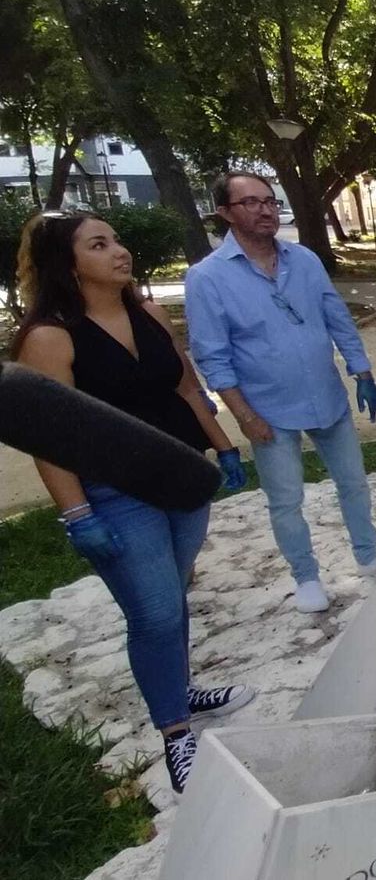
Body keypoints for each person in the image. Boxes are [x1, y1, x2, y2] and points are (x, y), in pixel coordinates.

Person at [11, 211, 257, 794]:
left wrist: (223, 449)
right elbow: (49, 438)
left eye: (117, 239)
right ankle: (176, 733)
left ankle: (179, 687)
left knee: (172, 599)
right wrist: (77, 516)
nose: (120, 251)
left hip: (179, 477)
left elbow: (184, 386)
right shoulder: (49, 337)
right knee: (152, 613)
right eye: (100, 245)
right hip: (114, 492)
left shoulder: (147, 311)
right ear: (68, 265)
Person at [185, 171, 376, 614]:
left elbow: (337, 319)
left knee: (353, 482)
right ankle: (306, 575)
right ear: (225, 213)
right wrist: (243, 415)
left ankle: (368, 554)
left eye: (270, 201)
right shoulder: (208, 277)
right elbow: (212, 356)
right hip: (267, 409)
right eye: (251, 202)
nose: (265, 210)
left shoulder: (304, 260)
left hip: (327, 397)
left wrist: (362, 371)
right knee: (286, 499)